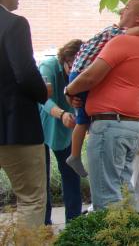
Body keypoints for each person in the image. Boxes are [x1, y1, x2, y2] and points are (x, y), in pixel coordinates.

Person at [64, 0, 139, 210]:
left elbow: (90, 77)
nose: (122, 10)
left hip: (110, 126)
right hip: (131, 125)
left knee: (107, 199)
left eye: (128, 8)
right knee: (125, 192)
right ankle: (133, 238)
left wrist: (68, 90)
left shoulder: (122, 41)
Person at [0, 0, 49, 227]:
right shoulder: (14, 24)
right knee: (31, 198)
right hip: (15, 127)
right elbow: (25, 73)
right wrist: (44, 92)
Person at [39, 39, 84, 225]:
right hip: (41, 124)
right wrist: (62, 114)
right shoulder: (48, 67)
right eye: (72, 65)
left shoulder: (81, 72)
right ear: (64, 60)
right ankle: (44, 225)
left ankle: (74, 224)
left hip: (65, 130)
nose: (74, 70)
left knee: (71, 173)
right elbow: (43, 99)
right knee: (41, 178)